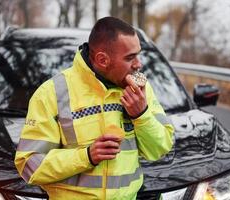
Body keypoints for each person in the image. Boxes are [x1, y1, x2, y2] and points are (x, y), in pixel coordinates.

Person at [15, 17, 174, 200]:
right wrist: (86, 156)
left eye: (138, 54)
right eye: (130, 57)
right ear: (102, 60)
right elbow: (29, 165)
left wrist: (141, 115)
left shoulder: (140, 91)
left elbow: (160, 150)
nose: (139, 64)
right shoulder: (51, 94)